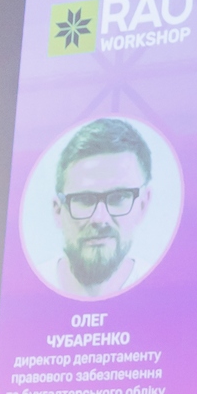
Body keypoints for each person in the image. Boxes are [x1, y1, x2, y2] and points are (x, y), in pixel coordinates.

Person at [51, 118, 154, 298]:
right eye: (84, 199)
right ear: (58, 210)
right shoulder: (24, 294)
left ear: (143, 205)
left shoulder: (166, 292)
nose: (100, 219)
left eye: (118, 197)